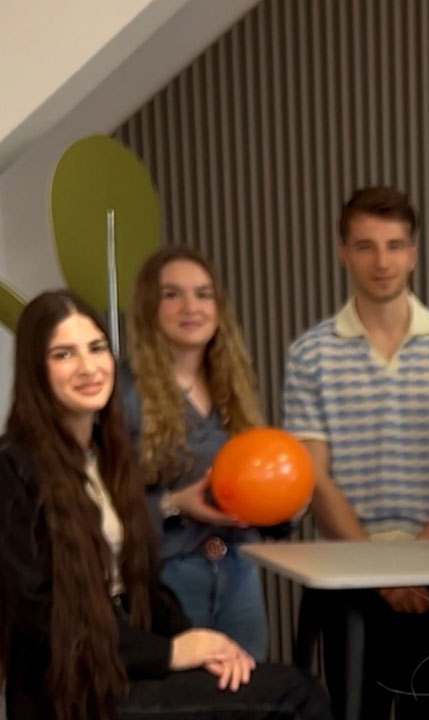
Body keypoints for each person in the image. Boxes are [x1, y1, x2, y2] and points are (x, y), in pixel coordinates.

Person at [0, 290, 331, 719]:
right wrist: (171, 652)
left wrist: (203, 645)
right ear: (35, 370)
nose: (88, 367)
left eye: (96, 348)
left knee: (285, 684)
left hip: (127, 664)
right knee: (295, 697)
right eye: (64, 354)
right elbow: (42, 615)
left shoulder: (108, 456)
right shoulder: (12, 468)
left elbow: (145, 586)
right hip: (72, 690)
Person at [284, 186, 429, 718]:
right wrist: (382, 572)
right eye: (366, 246)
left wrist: (413, 567)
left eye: (394, 246)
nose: (381, 262)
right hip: (348, 572)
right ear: (343, 253)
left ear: (413, 253)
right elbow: (314, 478)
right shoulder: (310, 355)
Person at [119, 246, 287, 662]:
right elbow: (102, 505)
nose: (191, 307)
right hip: (167, 579)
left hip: (239, 573)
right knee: (186, 694)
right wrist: (175, 503)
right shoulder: (123, 394)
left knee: (249, 690)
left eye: (203, 294)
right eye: (172, 294)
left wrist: (283, 500)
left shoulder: (235, 390)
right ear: (149, 307)